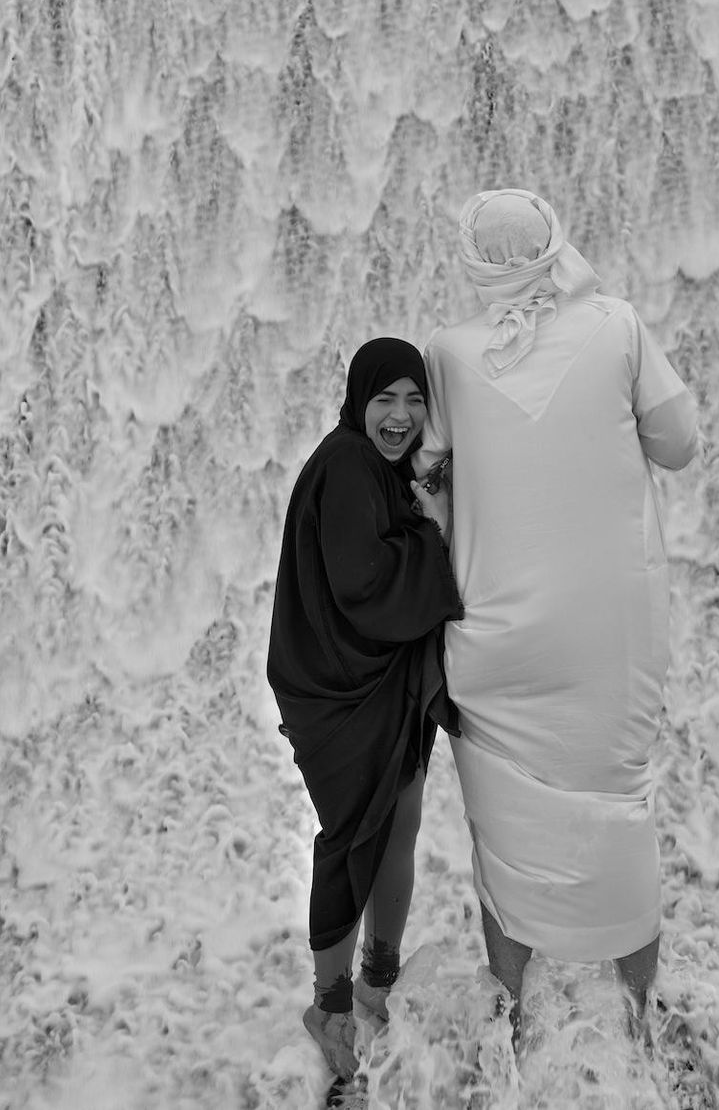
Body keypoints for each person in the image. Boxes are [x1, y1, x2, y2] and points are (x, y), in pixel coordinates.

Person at [412, 189, 697, 1043]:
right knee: (619, 809)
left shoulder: (448, 354)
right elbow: (679, 444)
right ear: (553, 248)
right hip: (608, 635)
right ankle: (641, 1017)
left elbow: (424, 472)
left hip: (496, 635)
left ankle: (510, 1011)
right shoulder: (615, 325)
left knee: (501, 829)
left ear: (472, 263)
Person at [268, 338, 463, 1082]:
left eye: (416, 400)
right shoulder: (348, 462)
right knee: (354, 837)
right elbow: (363, 584)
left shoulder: (381, 471)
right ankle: (332, 1006)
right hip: (337, 690)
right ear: (358, 401)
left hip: (380, 680)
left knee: (401, 821)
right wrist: (437, 528)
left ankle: (381, 978)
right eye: (386, 399)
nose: (402, 416)